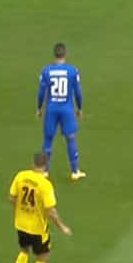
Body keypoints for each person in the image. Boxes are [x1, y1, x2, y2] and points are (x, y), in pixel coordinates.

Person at [9, 152, 71, 263]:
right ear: (46, 165)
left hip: (21, 224)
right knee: (42, 258)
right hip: (37, 228)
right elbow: (51, 211)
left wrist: (20, 211)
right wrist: (62, 226)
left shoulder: (21, 176)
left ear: (33, 163)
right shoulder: (45, 185)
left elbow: (12, 197)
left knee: (24, 251)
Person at [36, 42, 84, 180]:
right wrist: (79, 108)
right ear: (65, 54)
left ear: (54, 54)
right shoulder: (72, 70)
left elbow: (41, 92)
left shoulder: (46, 70)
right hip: (66, 109)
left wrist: (39, 108)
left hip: (51, 109)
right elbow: (78, 92)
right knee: (70, 138)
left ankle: (44, 171)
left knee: (48, 139)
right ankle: (75, 171)